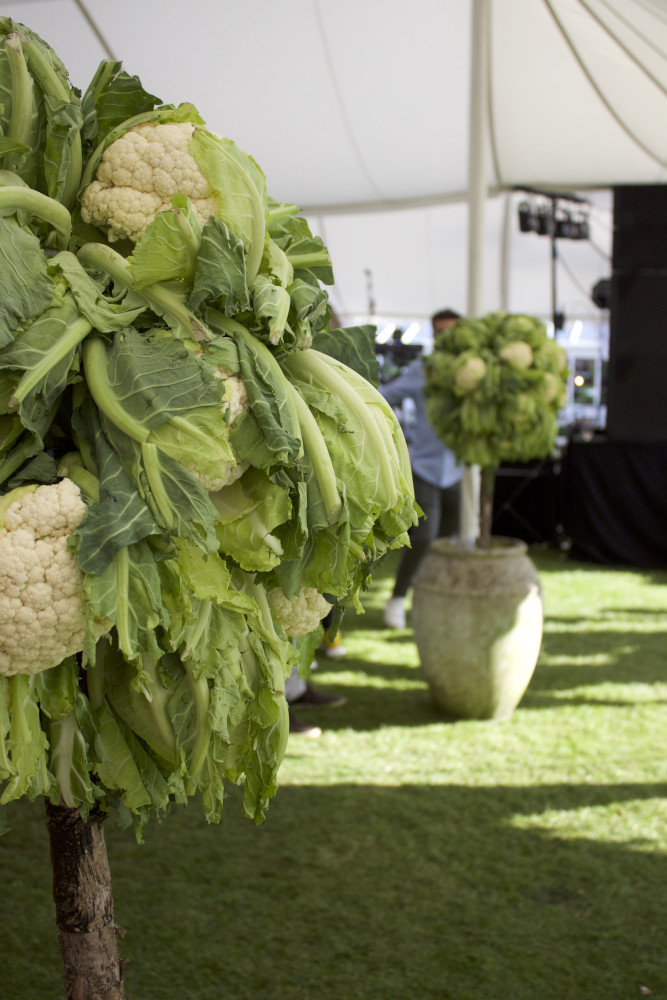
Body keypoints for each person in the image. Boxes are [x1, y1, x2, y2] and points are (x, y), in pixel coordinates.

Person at [379, 308, 463, 629]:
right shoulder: (423, 370)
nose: (445, 338)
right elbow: (386, 395)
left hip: (459, 469)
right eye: (439, 332)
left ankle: (433, 598)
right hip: (425, 466)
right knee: (425, 536)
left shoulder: (477, 372)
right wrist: (400, 436)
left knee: (452, 540)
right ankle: (398, 598)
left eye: (451, 332)